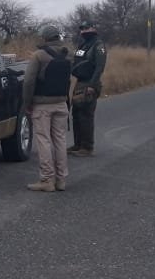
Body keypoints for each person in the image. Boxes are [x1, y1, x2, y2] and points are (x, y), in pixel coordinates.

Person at [23, 24, 71, 192]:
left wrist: (27, 103)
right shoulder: (67, 54)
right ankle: (61, 180)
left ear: (44, 38)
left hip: (42, 104)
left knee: (43, 140)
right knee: (60, 140)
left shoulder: (39, 55)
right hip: (61, 103)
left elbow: (29, 81)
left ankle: (47, 179)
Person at [68, 20, 107, 156]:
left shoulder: (98, 45)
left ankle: (87, 147)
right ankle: (77, 144)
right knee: (76, 114)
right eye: (82, 28)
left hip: (89, 83)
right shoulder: (83, 45)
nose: (84, 31)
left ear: (94, 28)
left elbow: (99, 67)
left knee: (86, 115)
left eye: (86, 28)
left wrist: (92, 85)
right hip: (79, 82)